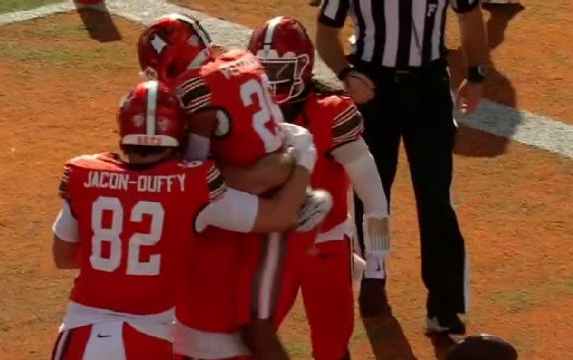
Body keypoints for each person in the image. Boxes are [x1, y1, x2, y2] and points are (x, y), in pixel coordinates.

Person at [50, 80, 333, 359]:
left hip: (80, 332)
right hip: (146, 339)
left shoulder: (84, 173)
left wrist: (118, 257)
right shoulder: (192, 183)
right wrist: (304, 157)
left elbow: (63, 256)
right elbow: (278, 215)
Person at [137, 13, 323, 359]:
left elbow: (194, 174)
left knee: (255, 327)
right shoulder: (242, 60)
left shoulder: (194, 90)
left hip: (272, 207)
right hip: (266, 186)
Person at [315, 0, 490, 334]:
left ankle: (443, 304)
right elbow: (325, 31)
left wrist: (477, 73)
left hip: (428, 86)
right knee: (372, 192)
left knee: (435, 195)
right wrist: (346, 74)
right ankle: (374, 270)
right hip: (373, 86)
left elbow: (469, 16)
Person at [247, 16, 391, 360]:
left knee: (331, 349)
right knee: (247, 341)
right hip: (270, 247)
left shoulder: (330, 112)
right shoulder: (247, 112)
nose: (271, 80)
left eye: (280, 70)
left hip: (326, 246)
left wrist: (377, 266)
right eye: (264, 70)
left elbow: (373, 197)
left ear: (303, 68)